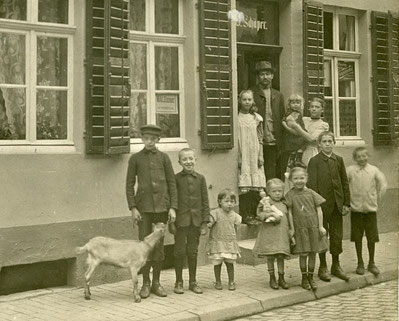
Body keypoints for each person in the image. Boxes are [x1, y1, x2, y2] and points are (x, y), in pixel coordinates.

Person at [126, 124, 177, 299]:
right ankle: (146, 283)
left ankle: (157, 282)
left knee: (159, 248)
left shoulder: (164, 158)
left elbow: (172, 184)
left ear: (158, 140)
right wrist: (133, 208)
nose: (149, 141)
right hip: (143, 210)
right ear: (142, 139)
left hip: (162, 209)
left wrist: (172, 207)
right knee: (144, 248)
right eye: (146, 138)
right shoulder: (135, 159)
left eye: (152, 139)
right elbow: (129, 185)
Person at [307, 131, 351, 282]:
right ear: (319, 144)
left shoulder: (338, 160)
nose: (327, 144)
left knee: (336, 235)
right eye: (324, 141)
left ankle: (336, 265)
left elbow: (344, 182)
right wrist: (315, 205)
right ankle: (323, 266)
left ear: (334, 143)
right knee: (322, 236)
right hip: (322, 207)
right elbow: (311, 185)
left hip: (337, 206)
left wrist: (346, 203)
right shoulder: (314, 161)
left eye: (330, 141)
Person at [173, 148, 210, 295]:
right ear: (180, 162)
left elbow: (205, 201)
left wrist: (204, 222)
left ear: (195, 160)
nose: (188, 162)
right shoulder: (175, 179)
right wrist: (171, 222)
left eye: (190, 159)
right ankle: (178, 281)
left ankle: (193, 282)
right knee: (179, 252)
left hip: (196, 222)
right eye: (184, 159)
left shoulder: (200, 179)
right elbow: (173, 201)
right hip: (181, 222)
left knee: (193, 252)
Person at [285, 167, 328, 290]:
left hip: (313, 227)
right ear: (291, 180)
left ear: (306, 178)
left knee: (313, 253)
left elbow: (319, 209)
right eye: (296, 178)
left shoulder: (311, 193)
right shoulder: (290, 195)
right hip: (300, 228)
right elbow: (290, 213)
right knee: (303, 254)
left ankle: (311, 277)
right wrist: (292, 229)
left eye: (302, 178)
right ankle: (304, 278)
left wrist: (320, 226)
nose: (299, 181)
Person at [347, 147, 387, 276]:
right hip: (356, 210)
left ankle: (372, 262)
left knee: (371, 237)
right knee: (357, 238)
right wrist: (348, 202)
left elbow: (383, 183)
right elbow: (345, 186)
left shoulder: (373, 170)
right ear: (355, 158)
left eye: (364, 156)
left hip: (370, 210)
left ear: (368, 156)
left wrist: (376, 198)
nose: (362, 159)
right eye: (359, 157)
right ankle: (360, 263)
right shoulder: (350, 171)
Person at [253, 179, 291, 290]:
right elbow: (259, 214)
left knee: (280, 255)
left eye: (280, 191)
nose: (278, 193)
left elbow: (289, 217)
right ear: (268, 192)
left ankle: (281, 278)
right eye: (274, 191)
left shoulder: (284, 203)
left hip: (281, 234)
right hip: (269, 233)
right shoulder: (265, 202)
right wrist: (269, 214)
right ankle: (272, 277)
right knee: (270, 256)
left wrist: (290, 230)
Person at [250, 61, 285, 180]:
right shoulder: (252, 93)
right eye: (262, 74)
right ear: (258, 77)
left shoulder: (278, 95)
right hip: (256, 140)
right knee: (256, 171)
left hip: (273, 141)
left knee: (271, 171)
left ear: (272, 76)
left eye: (268, 74)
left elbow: (282, 117)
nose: (265, 77)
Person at [237, 89, 266, 224]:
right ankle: (246, 215)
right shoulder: (236, 118)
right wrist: (238, 157)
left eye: (249, 99)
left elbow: (260, 138)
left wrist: (260, 155)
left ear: (252, 101)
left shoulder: (257, 118)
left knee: (256, 184)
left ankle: (255, 213)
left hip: (254, 153)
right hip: (243, 153)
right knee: (245, 186)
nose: (247, 102)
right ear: (239, 101)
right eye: (244, 99)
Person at [207, 189, 242, 291]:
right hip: (218, 242)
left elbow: (235, 227)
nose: (229, 204)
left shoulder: (235, 215)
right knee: (217, 263)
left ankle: (231, 281)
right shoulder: (216, 213)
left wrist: (234, 239)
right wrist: (208, 224)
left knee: (229, 263)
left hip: (229, 243)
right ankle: (218, 281)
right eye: (226, 201)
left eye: (232, 201)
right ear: (219, 202)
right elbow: (209, 223)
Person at [281, 94, 308, 170]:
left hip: (298, 132)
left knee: (304, 142)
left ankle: (298, 159)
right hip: (291, 134)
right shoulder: (289, 113)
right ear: (289, 104)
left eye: (297, 103)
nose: (295, 105)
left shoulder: (299, 113)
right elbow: (283, 121)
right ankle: (292, 160)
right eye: (293, 103)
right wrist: (287, 128)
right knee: (294, 146)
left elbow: (300, 123)